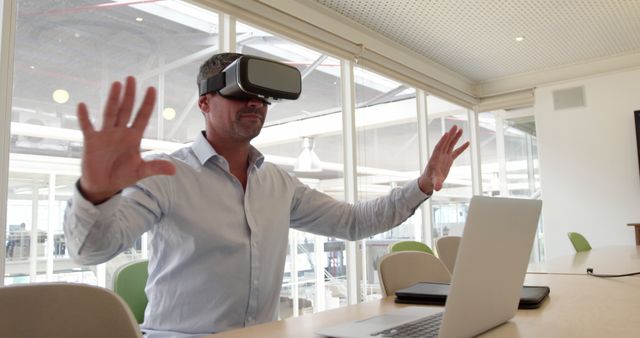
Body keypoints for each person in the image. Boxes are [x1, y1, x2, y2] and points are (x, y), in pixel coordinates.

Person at [63, 53, 469, 337]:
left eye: (263, 97)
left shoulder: (278, 182)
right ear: (205, 102)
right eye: (241, 93)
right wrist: (96, 192)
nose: (255, 103)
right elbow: (91, 251)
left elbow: (354, 222)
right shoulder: (166, 174)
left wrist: (421, 185)